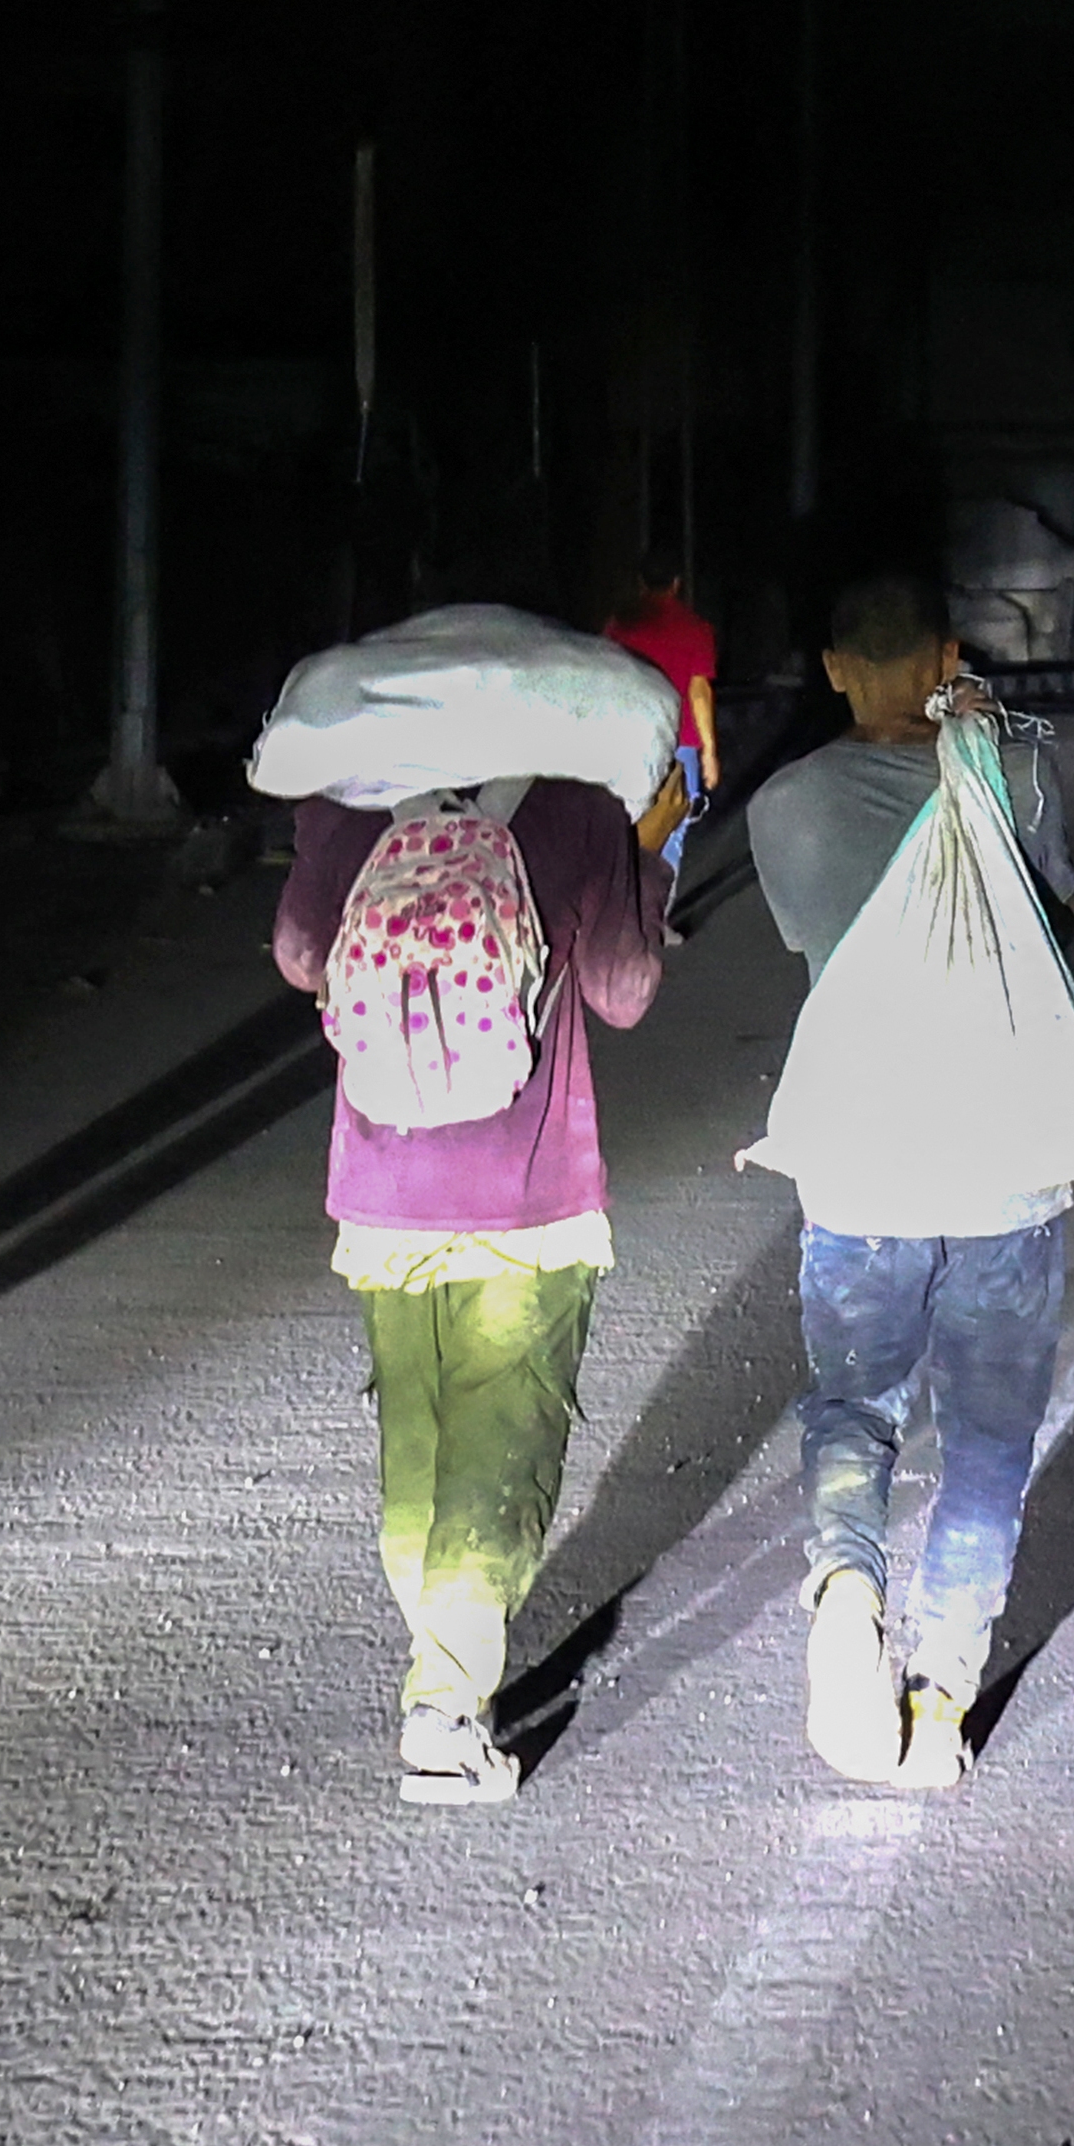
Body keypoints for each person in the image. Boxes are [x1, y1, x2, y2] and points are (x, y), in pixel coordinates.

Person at [277, 727, 682, 1801]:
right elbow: (625, 988)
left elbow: (301, 958)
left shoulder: (353, 797)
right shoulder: (575, 802)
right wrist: (643, 848)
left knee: (418, 1435)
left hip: (386, 1187)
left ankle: (440, 1664)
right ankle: (445, 1707)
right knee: (502, 1444)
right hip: (526, 1195)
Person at [743, 565, 1074, 1793]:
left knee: (857, 1407)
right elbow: (1055, 928)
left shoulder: (785, 807)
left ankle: (847, 1574)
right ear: (949, 657)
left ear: (835, 668)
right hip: (1005, 1164)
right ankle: (940, 1702)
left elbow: (821, 939)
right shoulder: (1019, 771)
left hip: (859, 1163)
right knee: (989, 1447)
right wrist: (984, 748)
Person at [605, 554, 723, 868]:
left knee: (629, 824)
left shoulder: (620, 626)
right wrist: (709, 752)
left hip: (630, 740)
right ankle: (661, 907)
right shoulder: (696, 629)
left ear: (641, 583)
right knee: (674, 829)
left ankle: (626, 904)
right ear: (676, 583)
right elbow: (699, 692)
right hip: (680, 744)